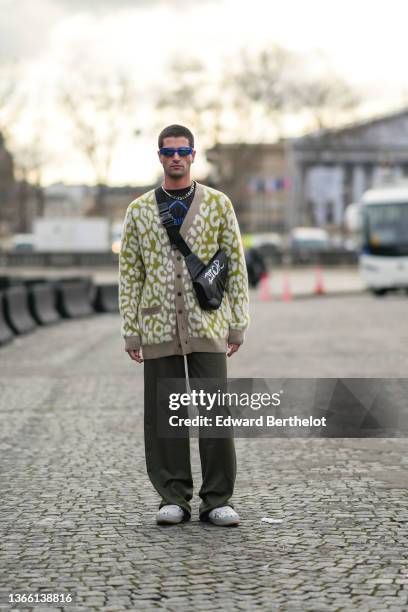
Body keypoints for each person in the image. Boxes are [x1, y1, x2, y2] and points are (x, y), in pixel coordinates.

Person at [119, 124, 250, 526]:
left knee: (214, 412)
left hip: (208, 322)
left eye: (183, 150)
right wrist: (131, 328)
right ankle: (172, 495)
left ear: (193, 155)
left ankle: (217, 498)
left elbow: (235, 266)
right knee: (165, 416)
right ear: (159, 156)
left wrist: (238, 322)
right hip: (157, 327)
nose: (176, 157)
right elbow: (130, 273)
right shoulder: (139, 210)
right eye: (168, 151)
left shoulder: (218, 204)